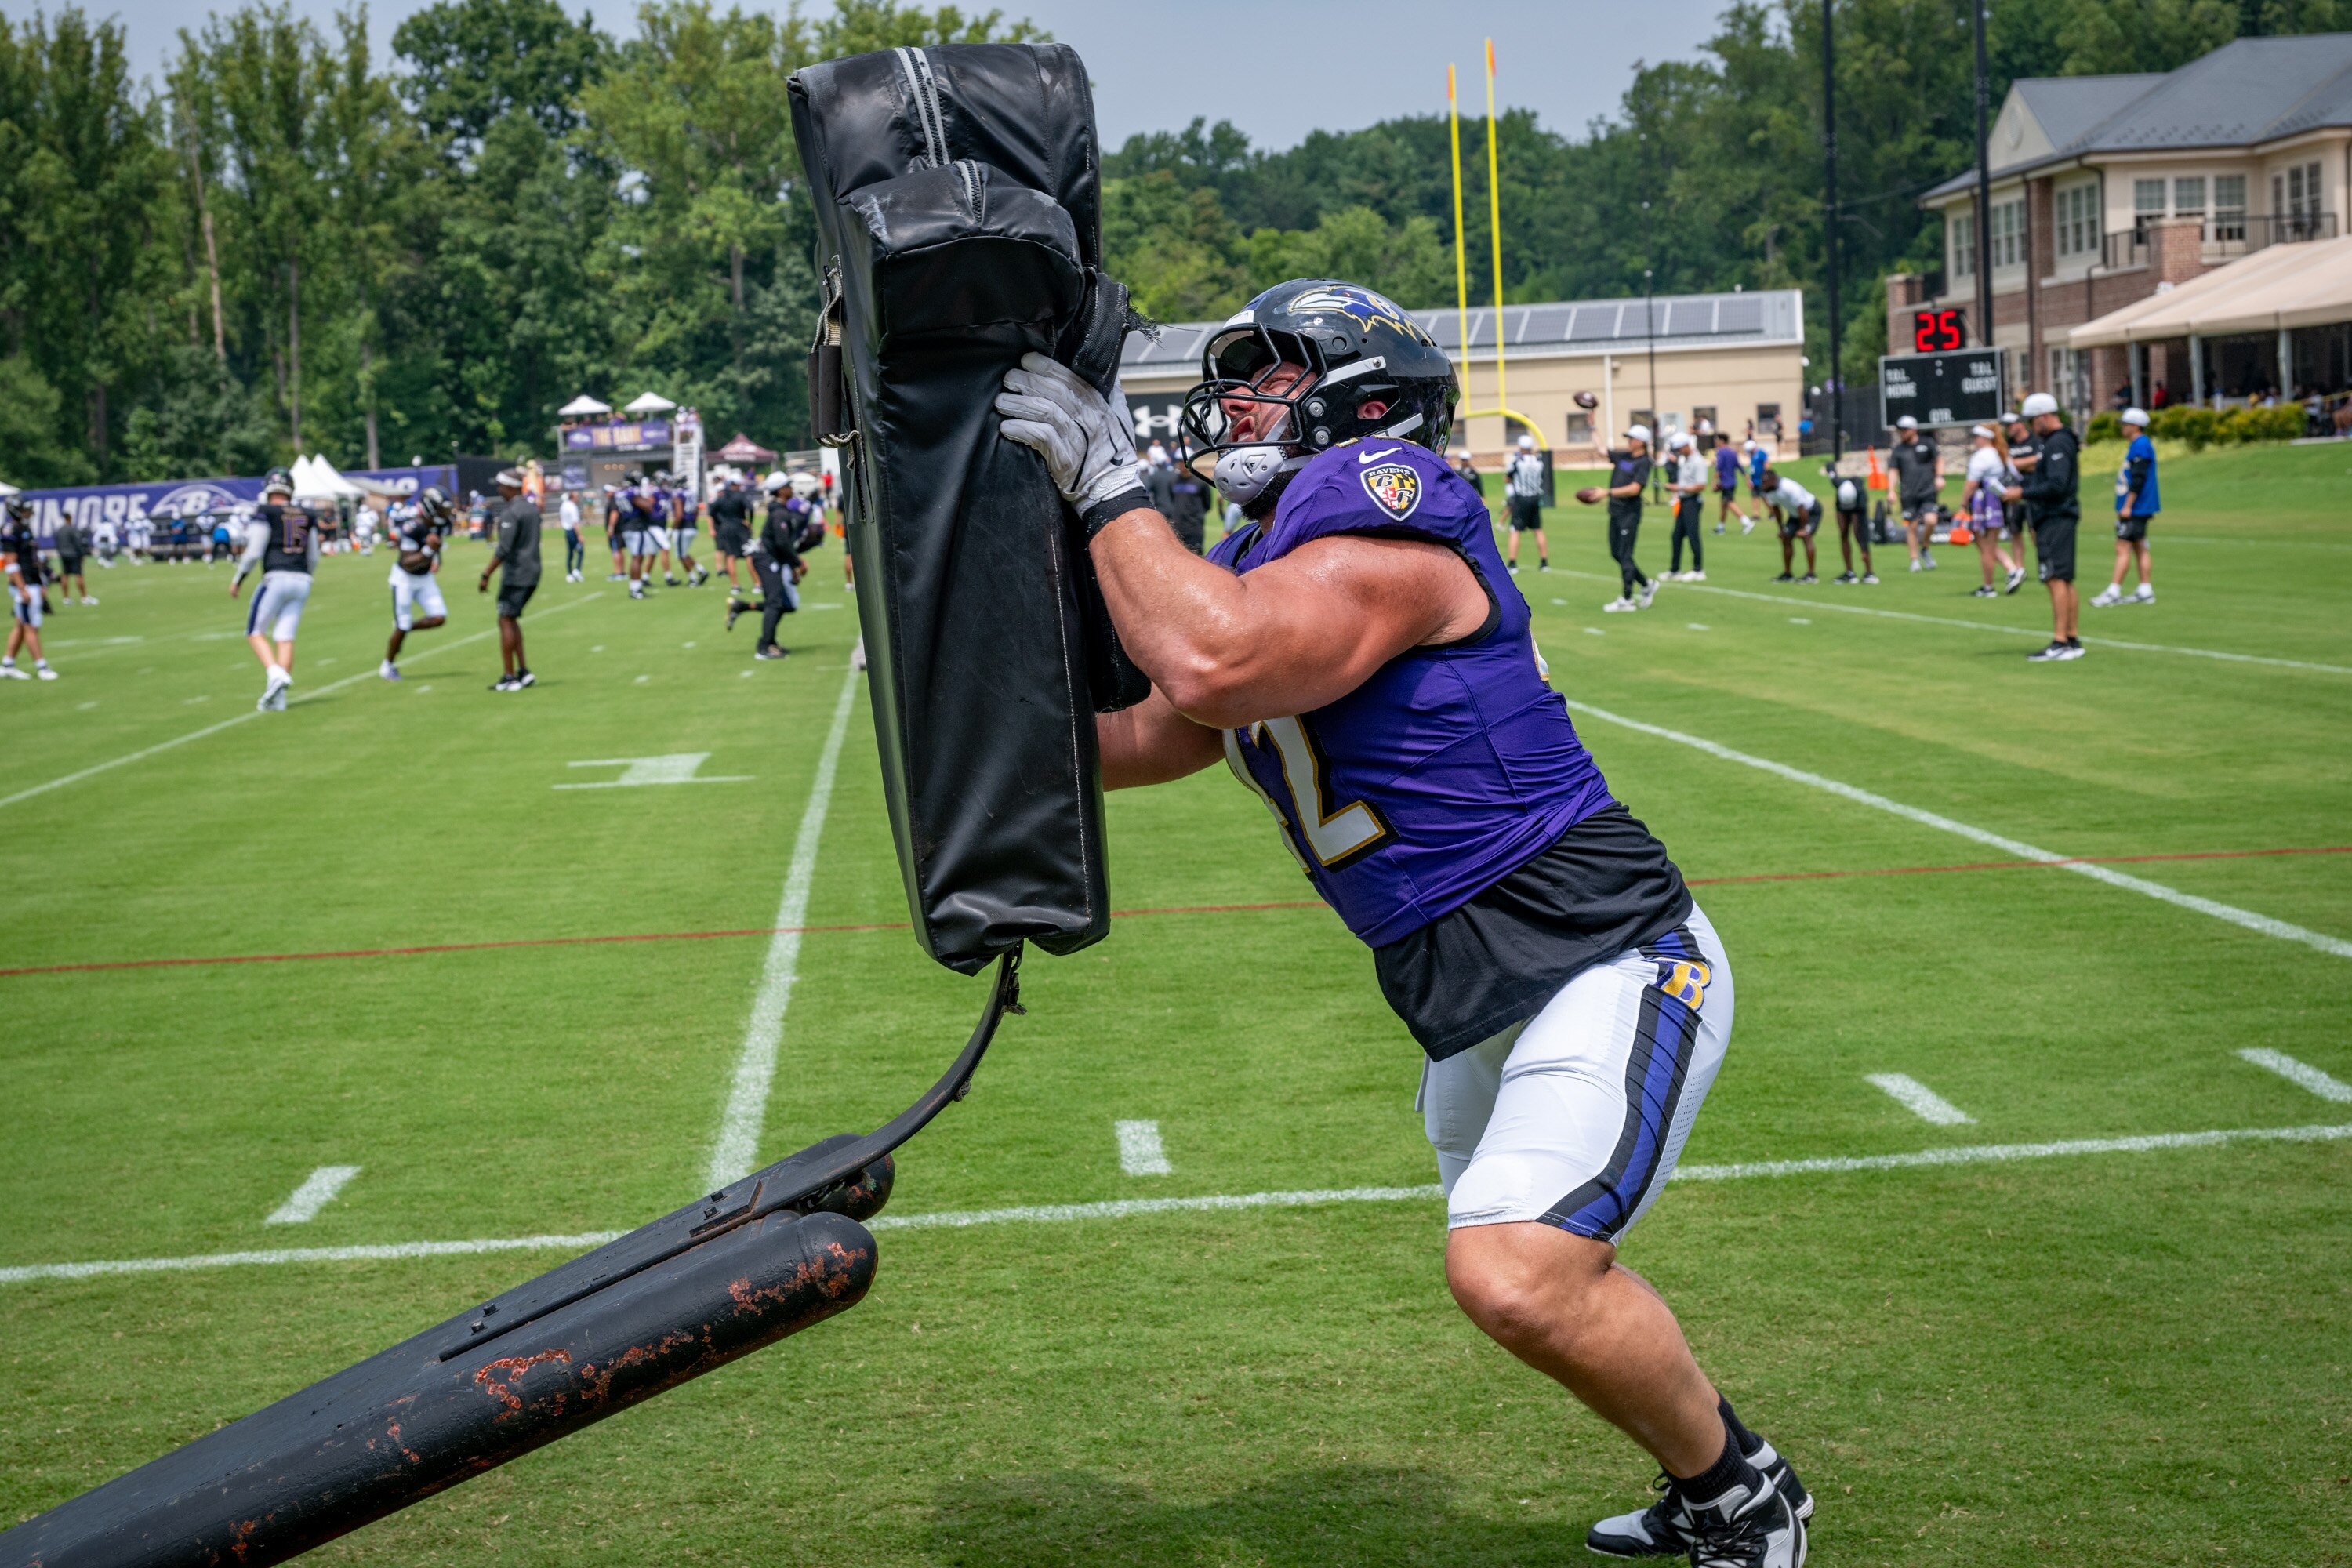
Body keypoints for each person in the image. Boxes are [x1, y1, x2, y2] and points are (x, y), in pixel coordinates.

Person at [995, 275, 1809, 1568]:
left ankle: (1745, 1495)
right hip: (1464, 993)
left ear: (1362, 400)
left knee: (1516, 1272)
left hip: (1595, 952)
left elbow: (1212, 664)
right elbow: (1164, 729)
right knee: (1531, 1288)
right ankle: (1713, 1475)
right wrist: (969, 751)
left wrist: (1107, 486)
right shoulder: (1282, 559)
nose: (1239, 398)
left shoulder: (1384, 507)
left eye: (1269, 370)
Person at [229, 471, 318, 710]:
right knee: (285, 637)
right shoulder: (307, 513)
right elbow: (314, 555)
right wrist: (305, 575)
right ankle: (278, 699)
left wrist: (239, 578)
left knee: (255, 631)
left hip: (276, 577)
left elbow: (254, 551)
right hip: (302, 579)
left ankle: (274, 673)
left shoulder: (266, 511)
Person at [2006, 392, 2082, 662]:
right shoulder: (2054, 442)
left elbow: (2057, 484)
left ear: (2044, 416)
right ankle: (2071, 639)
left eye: (2032, 420)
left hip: (2056, 517)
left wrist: (2022, 494)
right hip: (2057, 517)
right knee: (2063, 577)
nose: (2030, 427)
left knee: (2055, 578)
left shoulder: (2057, 443)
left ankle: (2060, 641)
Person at [727, 474, 808, 660]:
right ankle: (764, 647)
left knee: (783, 604)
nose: (791, 488)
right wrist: (797, 564)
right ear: (781, 490)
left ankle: (750, 617)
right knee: (776, 603)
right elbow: (782, 543)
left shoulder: (779, 510)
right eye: (788, 485)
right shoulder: (780, 513)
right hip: (766, 559)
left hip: (770, 559)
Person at [380, 487, 453, 681]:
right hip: (404, 579)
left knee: (439, 618)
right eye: (441, 509)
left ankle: (405, 628)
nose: (445, 513)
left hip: (425, 578)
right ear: (431, 508)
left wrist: (436, 558)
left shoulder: (438, 525)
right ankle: (388, 665)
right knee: (401, 625)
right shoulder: (414, 527)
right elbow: (407, 562)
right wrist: (429, 552)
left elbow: (436, 546)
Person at [1583, 423, 1657, 612]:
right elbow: (1601, 450)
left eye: (1631, 438)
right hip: (1615, 511)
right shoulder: (1624, 457)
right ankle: (1647, 584)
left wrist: (1607, 492)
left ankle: (1627, 599)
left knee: (1625, 555)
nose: (1628, 441)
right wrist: (1593, 427)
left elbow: (1635, 488)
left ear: (1641, 442)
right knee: (1616, 553)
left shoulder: (1644, 462)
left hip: (1629, 513)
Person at [479, 468, 541, 690]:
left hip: (517, 574)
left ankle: (510, 676)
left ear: (511, 487)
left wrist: (486, 574)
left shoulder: (511, 512)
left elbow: (504, 548)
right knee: (511, 619)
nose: (499, 489)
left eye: (501, 485)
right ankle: (523, 671)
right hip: (533, 570)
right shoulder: (531, 508)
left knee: (505, 619)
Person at [2092, 407, 2157, 607]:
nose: (2123, 427)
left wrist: (2128, 505)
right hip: (2139, 507)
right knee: (2139, 546)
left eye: (2126, 424)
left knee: (2122, 546)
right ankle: (2145, 589)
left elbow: (2138, 478)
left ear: (2136, 426)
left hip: (2137, 507)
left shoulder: (2140, 445)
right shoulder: (2138, 444)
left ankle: (2114, 590)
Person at [1957, 424, 2026, 598]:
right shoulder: (1999, 452)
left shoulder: (1982, 456)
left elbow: (1971, 484)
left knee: (1986, 547)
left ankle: (1989, 586)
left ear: (1985, 437)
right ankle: (2012, 571)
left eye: (1977, 436)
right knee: (1988, 545)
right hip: (1998, 501)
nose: (1975, 440)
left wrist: (1962, 505)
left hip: (1985, 502)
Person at [2, 498, 58, 679]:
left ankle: (7, 664)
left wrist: (41, 583)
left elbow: (33, 560)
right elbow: (10, 562)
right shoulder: (11, 530)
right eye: (26, 511)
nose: (29, 514)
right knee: (31, 626)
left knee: (21, 624)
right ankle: (42, 667)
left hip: (32, 582)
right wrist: (22, 588)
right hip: (24, 584)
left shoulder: (25, 529)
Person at [1887, 415, 1942, 572]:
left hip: (1927, 491)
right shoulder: (1898, 450)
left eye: (1904, 430)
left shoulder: (1927, 443)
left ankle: (1924, 548)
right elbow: (1893, 470)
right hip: (1908, 493)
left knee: (1931, 521)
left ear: (1913, 429)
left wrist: (1939, 476)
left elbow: (1939, 459)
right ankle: (1914, 559)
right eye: (1900, 430)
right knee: (1912, 526)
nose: (1902, 433)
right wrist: (1891, 490)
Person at [1760, 468, 1820, 582]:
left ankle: (1811, 574)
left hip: (1811, 511)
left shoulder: (1788, 487)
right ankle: (1787, 574)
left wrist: (1802, 529)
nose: (1763, 485)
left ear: (1773, 480)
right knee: (1786, 538)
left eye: (1765, 482)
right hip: (1795, 514)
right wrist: (1781, 529)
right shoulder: (1770, 491)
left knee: (1806, 537)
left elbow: (1802, 509)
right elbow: (1777, 511)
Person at [1503, 432, 1548, 573]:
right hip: (1535, 498)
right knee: (1538, 530)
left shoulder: (1517, 462)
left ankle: (1512, 563)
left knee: (1515, 531)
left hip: (1521, 499)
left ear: (1520, 447)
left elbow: (1507, 478)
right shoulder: (1539, 461)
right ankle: (1544, 562)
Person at [1667, 432, 1708, 580]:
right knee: (1676, 536)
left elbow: (1700, 485)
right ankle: (1674, 569)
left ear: (1685, 445)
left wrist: (1676, 488)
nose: (1678, 452)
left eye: (1679, 449)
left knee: (1693, 535)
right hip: (1683, 502)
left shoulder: (1697, 461)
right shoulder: (1685, 460)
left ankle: (1698, 570)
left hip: (1692, 501)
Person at [1828, 470, 1875, 584]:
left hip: (1857, 509)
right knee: (1843, 533)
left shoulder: (1861, 497)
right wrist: (1830, 467)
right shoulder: (1839, 485)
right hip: (1841, 507)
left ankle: (1869, 572)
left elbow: (1863, 528)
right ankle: (1849, 573)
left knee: (1859, 534)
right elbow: (1832, 472)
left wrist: (1864, 548)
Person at [709, 475, 754, 588]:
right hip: (740, 526)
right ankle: (757, 584)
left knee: (730, 555)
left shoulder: (722, 497)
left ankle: (735, 586)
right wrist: (749, 522)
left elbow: (712, 511)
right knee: (749, 554)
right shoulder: (740, 495)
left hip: (726, 527)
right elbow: (751, 508)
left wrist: (721, 521)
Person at [1711, 431, 1751, 535]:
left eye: (1717, 440)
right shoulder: (1732, 452)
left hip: (1726, 482)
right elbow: (1739, 467)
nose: (1715, 442)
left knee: (1729, 503)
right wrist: (1747, 479)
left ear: (1722, 441)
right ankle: (1720, 527)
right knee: (1723, 505)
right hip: (1733, 482)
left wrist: (1714, 481)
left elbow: (1718, 468)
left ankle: (1746, 522)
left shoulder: (1720, 452)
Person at [670, 477, 707, 586]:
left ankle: (693, 578)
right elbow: (697, 510)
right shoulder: (692, 492)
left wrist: (672, 528)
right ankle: (701, 570)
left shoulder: (678, 494)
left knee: (681, 555)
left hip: (683, 528)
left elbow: (679, 515)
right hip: (692, 526)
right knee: (684, 553)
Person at [51, 514, 93, 605]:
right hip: (73, 555)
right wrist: (82, 555)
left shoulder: (59, 530)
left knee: (65, 575)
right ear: (69, 518)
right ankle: (84, 597)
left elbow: (57, 544)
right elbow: (78, 543)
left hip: (63, 555)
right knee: (78, 575)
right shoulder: (72, 529)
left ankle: (66, 598)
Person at [557, 488, 585, 582]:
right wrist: (580, 535)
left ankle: (569, 574)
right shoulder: (572, 507)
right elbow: (575, 523)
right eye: (576, 496)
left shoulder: (564, 506)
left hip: (567, 531)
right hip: (572, 531)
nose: (578, 498)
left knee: (570, 553)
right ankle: (577, 570)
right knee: (580, 551)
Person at [603, 484, 628, 581]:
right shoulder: (617, 499)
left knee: (616, 551)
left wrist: (610, 528)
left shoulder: (613, 500)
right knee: (619, 550)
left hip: (616, 530)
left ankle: (618, 572)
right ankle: (622, 572)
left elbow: (614, 513)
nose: (605, 494)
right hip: (620, 530)